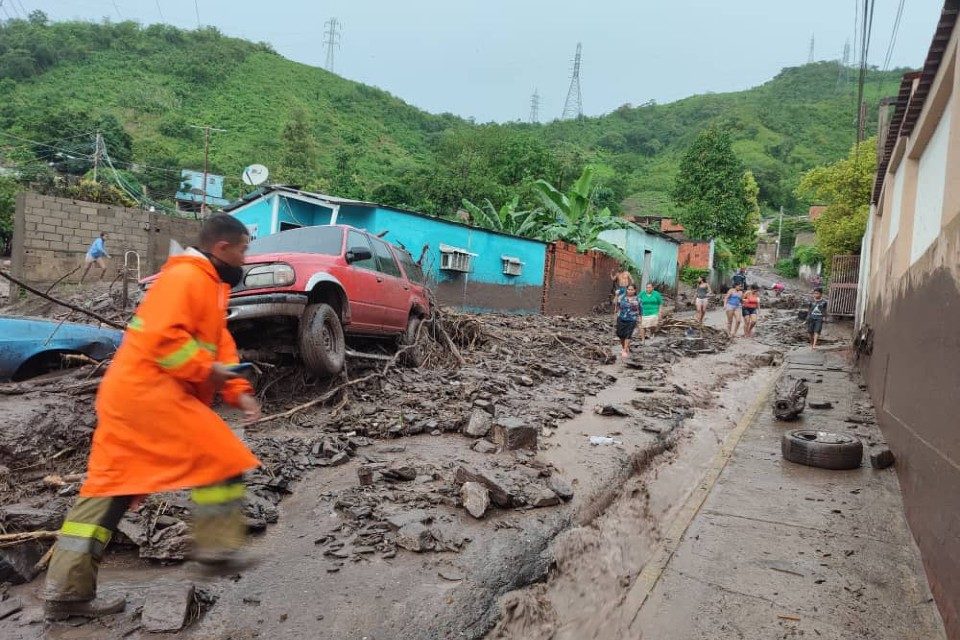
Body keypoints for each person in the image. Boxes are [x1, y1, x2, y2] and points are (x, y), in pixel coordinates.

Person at [43, 215, 262, 621]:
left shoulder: (207, 285)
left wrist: (238, 391)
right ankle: (216, 551)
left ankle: (66, 596)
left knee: (110, 487)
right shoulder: (186, 279)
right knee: (224, 457)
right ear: (223, 248)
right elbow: (164, 341)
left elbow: (221, 347)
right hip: (149, 395)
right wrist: (209, 373)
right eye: (244, 250)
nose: (246, 259)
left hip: (131, 394)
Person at [615, 283, 640, 358]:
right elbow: (615, 304)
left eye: (631, 289)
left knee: (628, 335)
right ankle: (624, 347)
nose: (630, 291)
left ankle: (625, 350)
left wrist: (641, 320)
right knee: (620, 334)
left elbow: (641, 309)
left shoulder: (638, 299)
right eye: (628, 289)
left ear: (635, 290)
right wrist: (616, 295)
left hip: (632, 319)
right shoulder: (622, 297)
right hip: (621, 318)